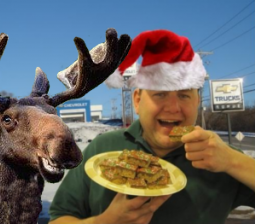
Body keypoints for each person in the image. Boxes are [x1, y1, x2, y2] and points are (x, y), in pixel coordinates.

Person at [48, 30, 255, 224]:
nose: (173, 107)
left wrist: (233, 161)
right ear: (138, 100)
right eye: (160, 94)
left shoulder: (221, 156)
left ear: (197, 102)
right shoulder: (102, 148)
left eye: (184, 95)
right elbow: (58, 218)